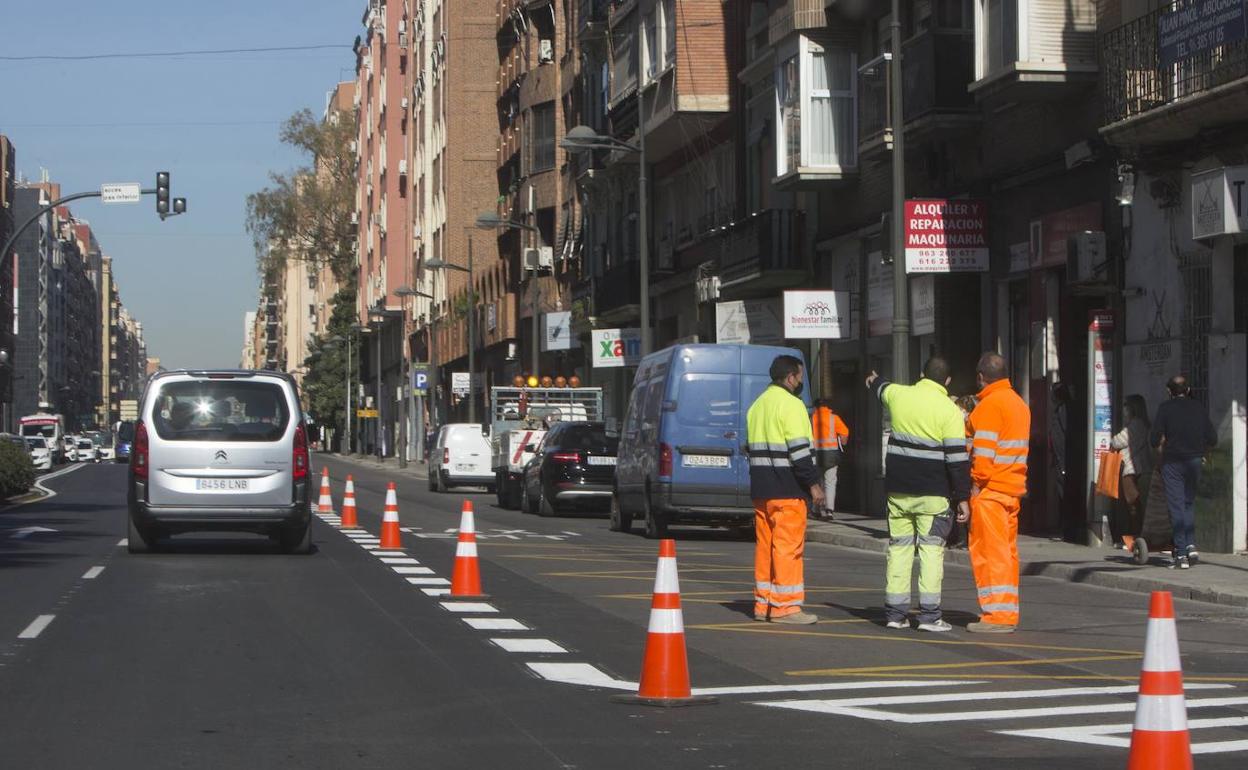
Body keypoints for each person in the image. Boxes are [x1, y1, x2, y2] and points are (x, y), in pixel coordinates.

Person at [866, 357, 971, 633]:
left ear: (921, 374)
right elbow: (957, 460)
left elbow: (880, 387)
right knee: (930, 553)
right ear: (947, 382)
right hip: (933, 496)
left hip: (898, 492)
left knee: (899, 550)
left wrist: (874, 379)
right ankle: (929, 617)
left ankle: (895, 614)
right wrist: (962, 498)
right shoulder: (949, 410)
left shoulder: (900, 394)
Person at [747, 355, 824, 625]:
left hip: (762, 491)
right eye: (800, 378)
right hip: (788, 490)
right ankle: (786, 608)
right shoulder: (792, 406)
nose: (800, 382)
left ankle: (763, 603)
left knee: (765, 547)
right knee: (788, 549)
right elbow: (800, 453)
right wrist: (814, 486)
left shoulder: (756, 406)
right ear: (790, 377)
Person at [966, 352, 1031, 633]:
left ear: (981, 377)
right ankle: (1007, 609)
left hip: (990, 491)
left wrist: (974, 486)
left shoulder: (989, 406)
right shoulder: (1019, 404)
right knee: (1006, 553)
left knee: (991, 554)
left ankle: (997, 616)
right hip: (1012, 490)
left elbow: (983, 456)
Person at [1150, 375, 1217, 569]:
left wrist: (1162, 443)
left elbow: (1154, 440)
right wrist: (1201, 451)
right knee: (1188, 503)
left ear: (1169, 392)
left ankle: (1180, 555)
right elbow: (1212, 438)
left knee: (1176, 506)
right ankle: (1190, 545)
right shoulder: (1199, 408)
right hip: (1194, 461)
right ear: (1187, 390)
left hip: (1173, 462)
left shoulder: (1165, 408)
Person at [1110, 394, 1152, 548]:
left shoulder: (1134, 425)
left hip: (1131, 468)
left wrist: (1113, 440)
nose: (1124, 409)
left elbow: (1117, 441)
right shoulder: (1144, 424)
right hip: (1143, 467)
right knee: (1138, 504)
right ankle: (1136, 537)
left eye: (1126, 405)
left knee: (1132, 505)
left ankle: (1134, 538)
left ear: (1133, 408)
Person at [811, 397, 850, 520]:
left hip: (815, 455)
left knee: (817, 482)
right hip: (831, 456)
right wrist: (842, 443)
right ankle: (829, 510)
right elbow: (845, 433)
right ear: (827, 407)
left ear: (815, 407)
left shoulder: (811, 419)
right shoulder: (834, 418)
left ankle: (816, 509)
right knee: (830, 482)